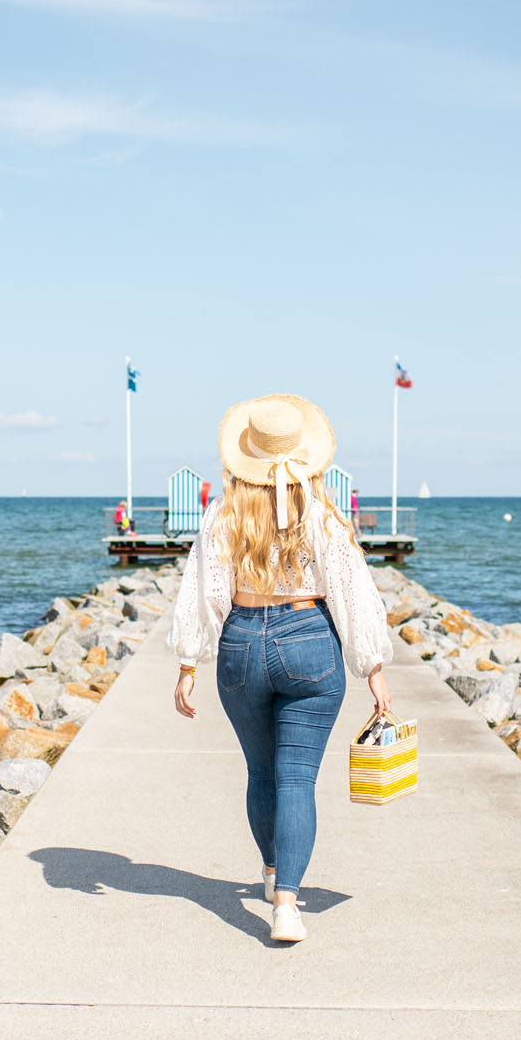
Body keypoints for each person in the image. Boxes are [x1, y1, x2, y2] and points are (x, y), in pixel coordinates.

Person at [168, 395, 393, 944]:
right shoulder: (322, 514)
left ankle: (270, 873)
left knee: (262, 773)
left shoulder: (224, 514)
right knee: (297, 779)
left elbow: (204, 589)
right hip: (309, 640)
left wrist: (187, 663)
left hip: (242, 641)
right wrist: (374, 668)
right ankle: (288, 905)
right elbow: (351, 592)